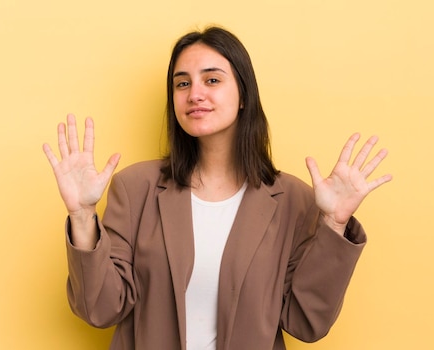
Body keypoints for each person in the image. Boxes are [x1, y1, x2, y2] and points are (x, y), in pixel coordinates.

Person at [42, 26, 392, 350]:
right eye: (182, 84)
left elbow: (306, 321)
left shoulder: (294, 201)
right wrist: (82, 215)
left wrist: (333, 224)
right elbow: (101, 310)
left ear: (243, 95)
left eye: (211, 80)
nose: (195, 94)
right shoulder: (136, 189)